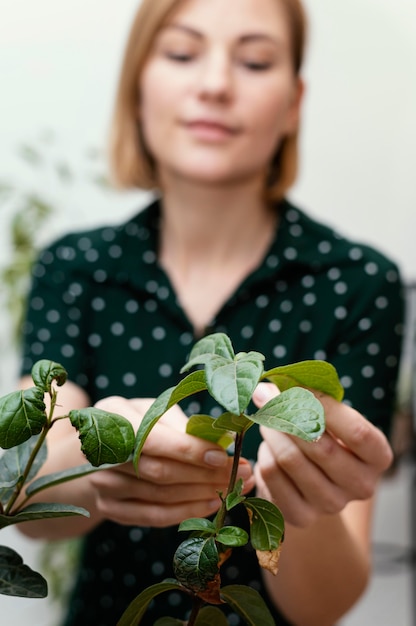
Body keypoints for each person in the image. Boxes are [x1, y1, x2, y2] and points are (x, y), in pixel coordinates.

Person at [18, 0, 404, 624]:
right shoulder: (75, 268)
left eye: (255, 61)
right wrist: (95, 457)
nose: (216, 84)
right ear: (137, 84)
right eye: (181, 53)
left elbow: (324, 605)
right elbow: (29, 491)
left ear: (294, 102)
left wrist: (309, 497)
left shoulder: (358, 284)